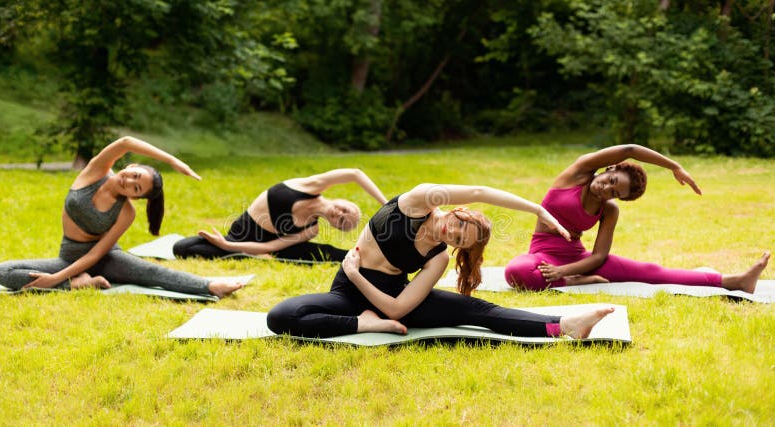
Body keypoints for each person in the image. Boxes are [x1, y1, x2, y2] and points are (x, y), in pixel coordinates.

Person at [267, 183, 615, 339]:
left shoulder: (438, 258)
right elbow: (480, 192)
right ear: (459, 212)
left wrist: (358, 276)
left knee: (477, 311)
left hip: (382, 295)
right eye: (458, 226)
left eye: (459, 241)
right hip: (346, 295)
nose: (452, 234)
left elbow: (399, 308)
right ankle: (365, 326)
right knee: (280, 316)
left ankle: (563, 325)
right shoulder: (417, 201)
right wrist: (536, 209)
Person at [0, 136, 244, 298]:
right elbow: (125, 142)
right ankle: (78, 284)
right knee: (4, 272)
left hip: (106, 259)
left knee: (151, 272)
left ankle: (210, 286)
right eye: (135, 176)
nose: (130, 182)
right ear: (131, 166)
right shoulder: (95, 171)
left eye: (137, 188)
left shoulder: (126, 212)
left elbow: (96, 254)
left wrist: (55, 280)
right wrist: (171, 160)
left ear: (135, 197)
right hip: (69, 256)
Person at [504, 144, 770, 293]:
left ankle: (734, 281)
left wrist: (563, 271)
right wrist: (674, 166)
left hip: (578, 260)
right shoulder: (578, 173)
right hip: (543, 254)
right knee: (516, 272)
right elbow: (629, 149)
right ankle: (575, 283)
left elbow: (598, 257)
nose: (606, 188)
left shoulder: (609, 210)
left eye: (614, 192)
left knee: (651, 272)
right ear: (609, 168)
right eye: (610, 180)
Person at [173, 168, 388, 263]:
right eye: (345, 210)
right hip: (240, 236)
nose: (339, 214)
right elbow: (355, 174)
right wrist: (386, 205)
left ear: (335, 226)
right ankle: (240, 253)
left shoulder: (311, 229)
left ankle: (368, 257)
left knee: (326, 253)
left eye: (341, 221)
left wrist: (229, 249)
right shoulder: (309, 185)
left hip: (258, 247)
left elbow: (270, 248)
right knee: (182, 248)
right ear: (342, 200)